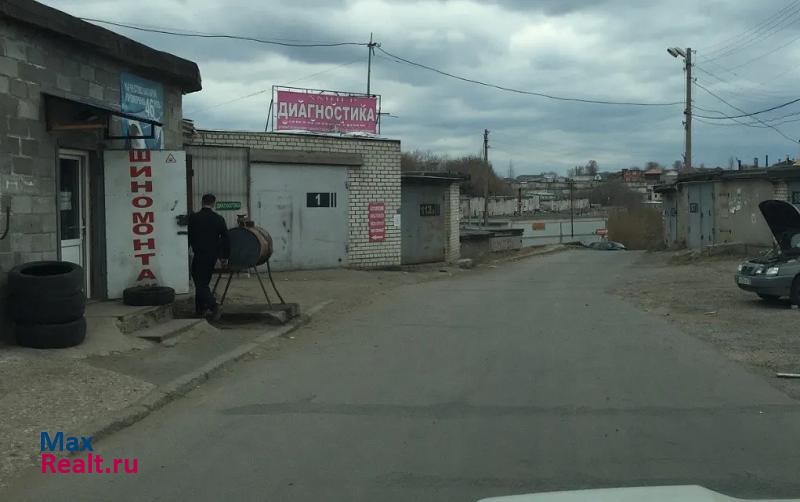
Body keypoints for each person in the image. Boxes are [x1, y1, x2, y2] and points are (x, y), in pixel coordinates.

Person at [188, 193, 230, 319]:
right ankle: (200, 310)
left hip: (199, 255)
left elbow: (188, 237)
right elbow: (226, 239)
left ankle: (214, 305)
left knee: (199, 284)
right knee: (204, 282)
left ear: (202, 202)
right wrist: (224, 257)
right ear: (213, 204)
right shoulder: (218, 219)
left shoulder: (194, 218)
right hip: (212, 257)